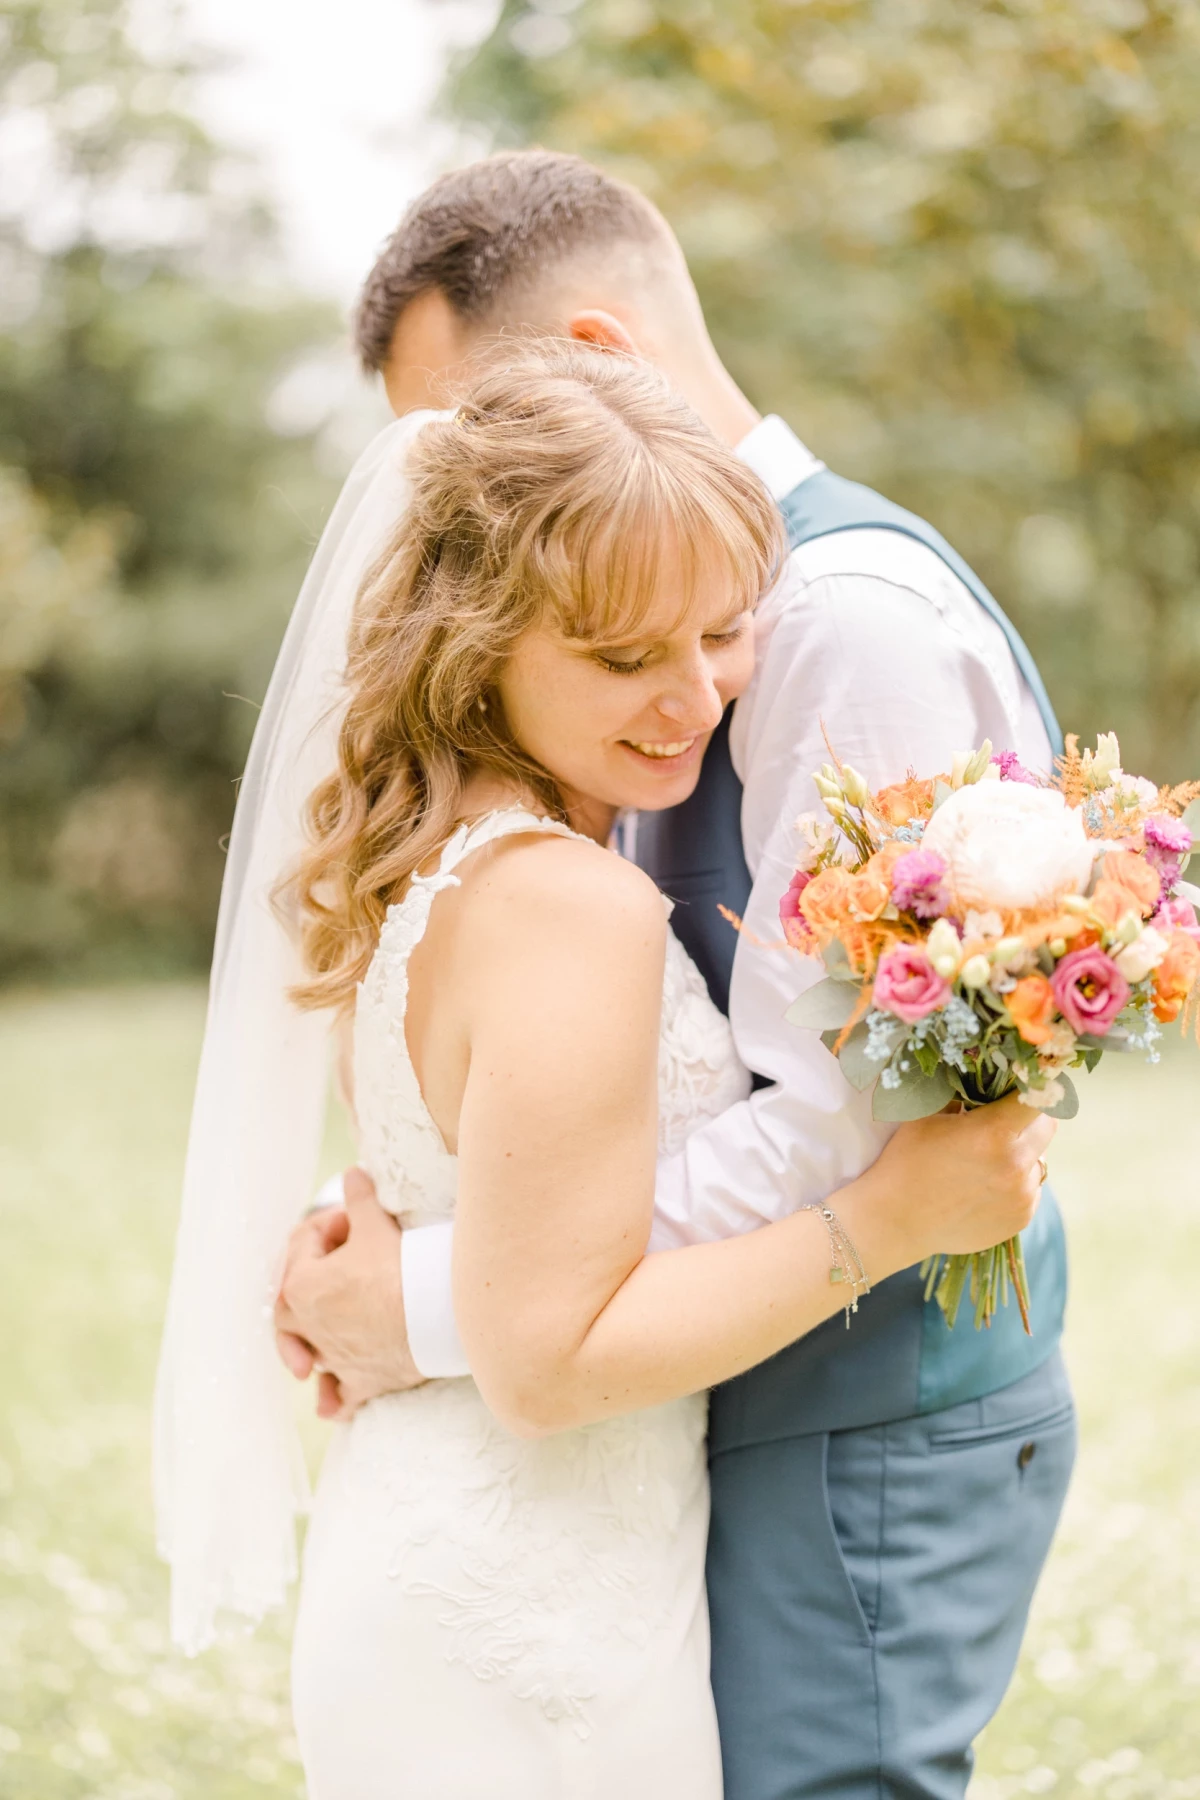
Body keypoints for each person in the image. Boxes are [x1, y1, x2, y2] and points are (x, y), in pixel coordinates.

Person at [273, 153, 1078, 1800]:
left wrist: (429, 1299)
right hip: (618, 1458)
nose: (471, 497)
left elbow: (855, 1109)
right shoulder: (539, 817)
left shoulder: (835, 622)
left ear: (599, 356)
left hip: (850, 1405)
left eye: (482, 427)